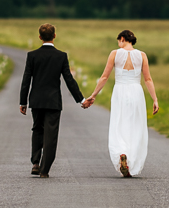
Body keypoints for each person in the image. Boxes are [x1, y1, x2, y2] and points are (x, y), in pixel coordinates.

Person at [19, 23, 90, 178]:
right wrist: (81, 99)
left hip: (36, 100)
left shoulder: (32, 56)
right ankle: (44, 170)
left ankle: (35, 162)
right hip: (53, 102)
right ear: (54, 36)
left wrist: (23, 102)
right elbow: (69, 80)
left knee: (37, 129)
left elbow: (26, 80)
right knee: (50, 135)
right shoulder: (61, 56)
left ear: (39, 37)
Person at [85, 29, 158, 178]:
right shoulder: (142, 55)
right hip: (136, 92)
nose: (118, 44)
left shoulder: (115, 54)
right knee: (135, 126)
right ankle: (130, 161)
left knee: (119, 124)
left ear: (122, 39)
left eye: (119, 41)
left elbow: (104, 77)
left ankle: (122, 152)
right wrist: (155, 99)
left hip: (120, 91)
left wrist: (93, 95)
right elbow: (148, 79)